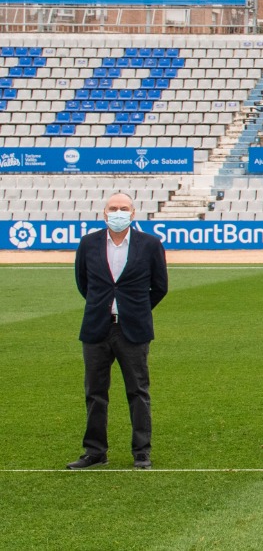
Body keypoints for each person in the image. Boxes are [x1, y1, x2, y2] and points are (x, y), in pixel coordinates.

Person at [68, 193, 168, 470]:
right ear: (104, 213)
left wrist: (135, 310)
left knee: (138, 392)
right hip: (96, 328)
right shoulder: (89, 243)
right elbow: (83, 282)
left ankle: (141, 452)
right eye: (113, 208)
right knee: (95, 392)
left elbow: (160, 286)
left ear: (133, 213)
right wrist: (103, 306)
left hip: (133, 329)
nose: (118, 212)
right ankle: (95, 451)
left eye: (124, 208)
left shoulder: (149, 244)